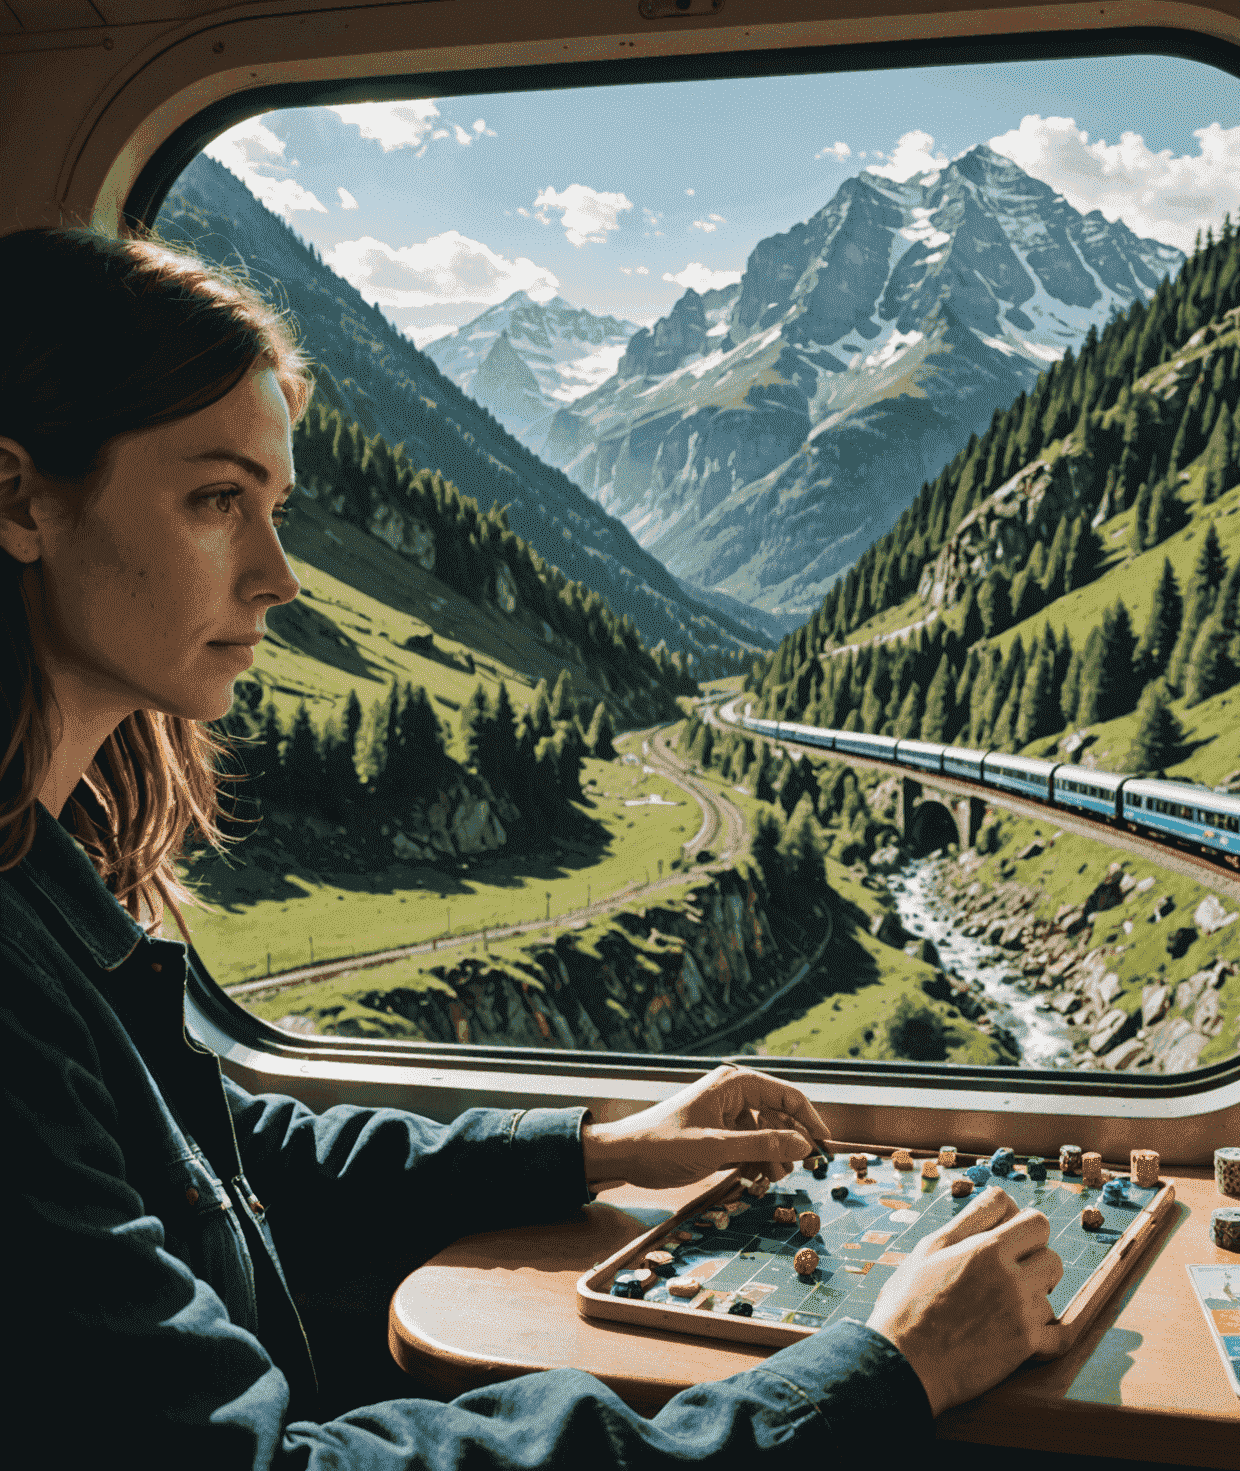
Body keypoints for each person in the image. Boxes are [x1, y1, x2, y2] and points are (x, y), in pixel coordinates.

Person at [0, 227, 1062, 1467]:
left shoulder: (44, 879)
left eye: (275, 507)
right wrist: (876, 1375)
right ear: (22, 498)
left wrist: (597, 1145)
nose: (280, 575)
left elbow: (228, 1160)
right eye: (216, 500)